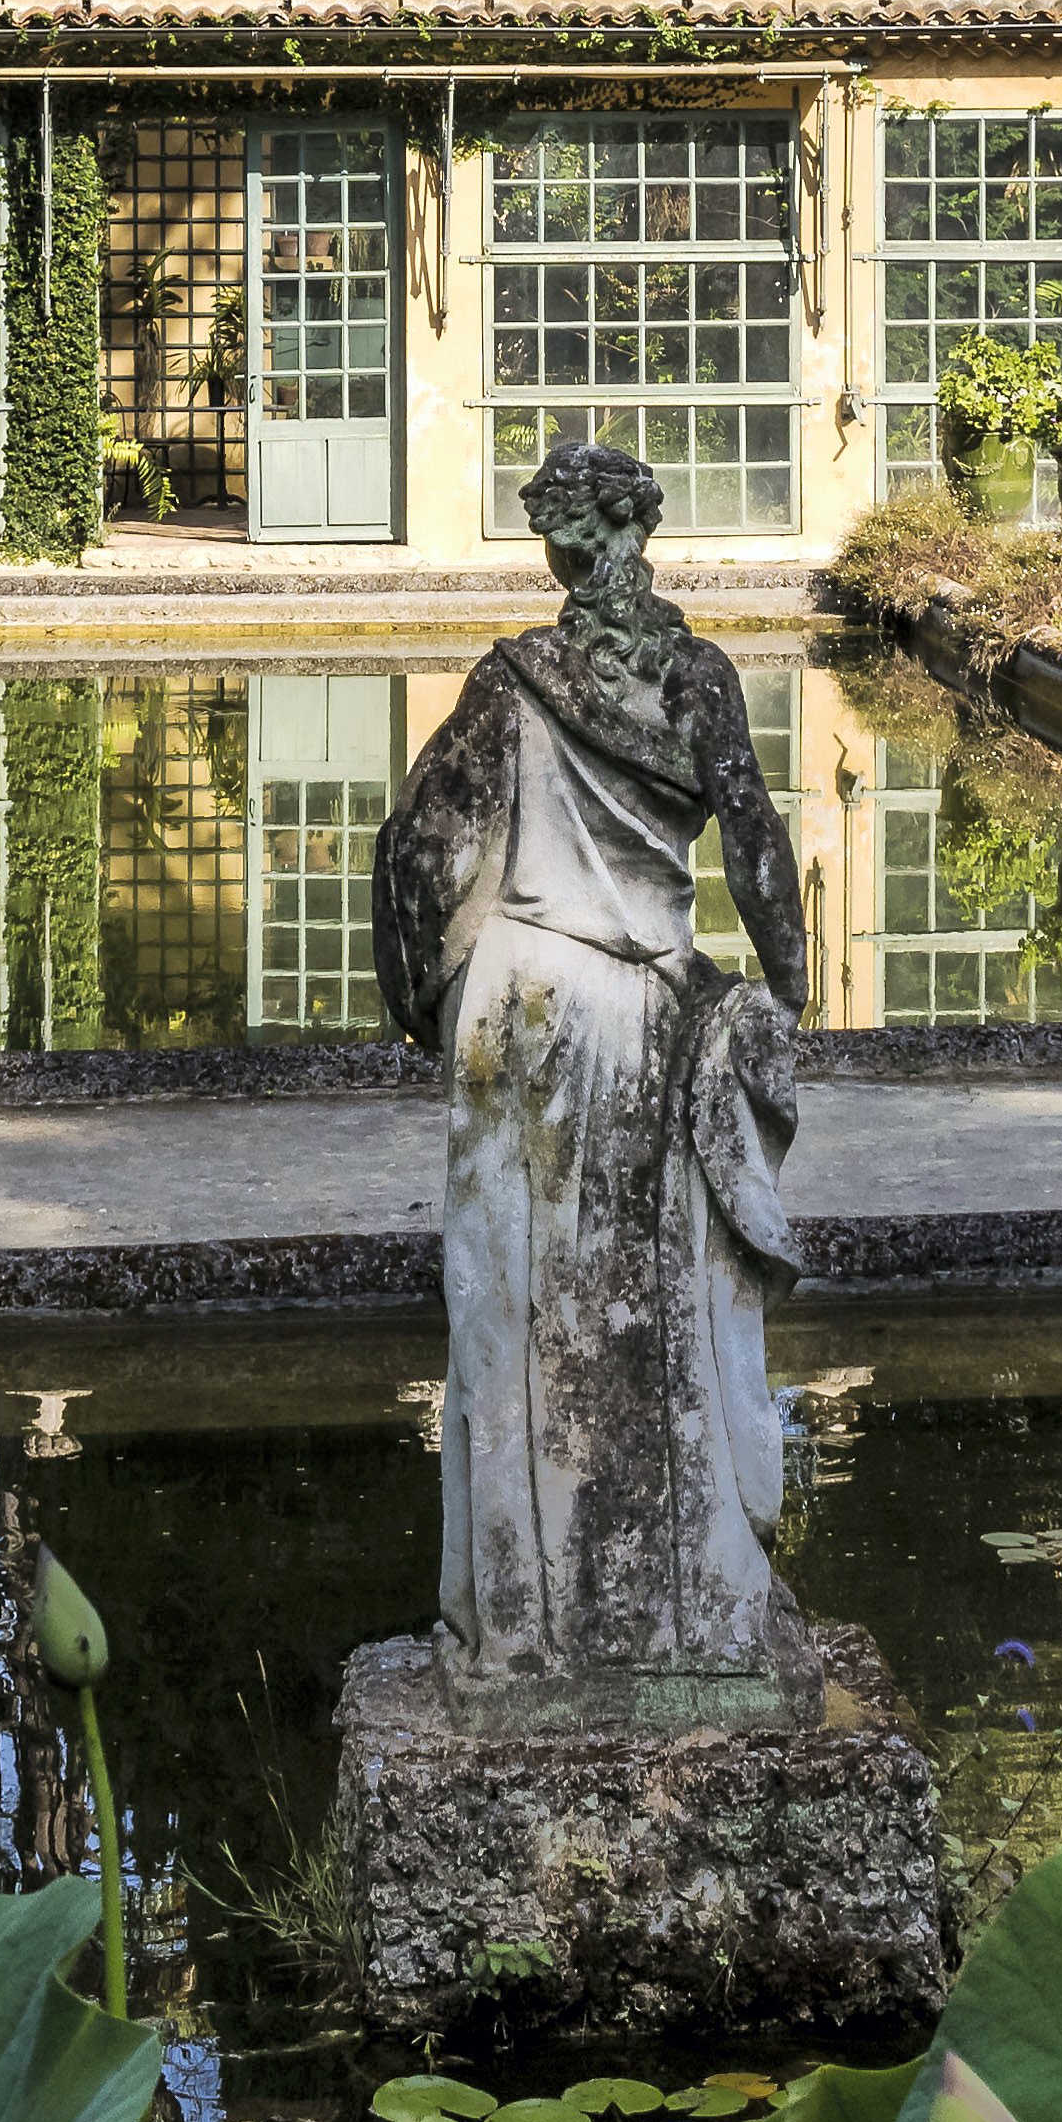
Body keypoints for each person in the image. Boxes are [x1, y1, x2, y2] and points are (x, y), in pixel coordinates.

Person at [373, 431, 812, 1675]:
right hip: (646, 1011)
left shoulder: (513, 681)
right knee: (650, 1308)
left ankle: (527, 1621)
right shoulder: (701, 676)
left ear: (565, 545)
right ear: (640, 533)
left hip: (524, 1011)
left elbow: (423, 854)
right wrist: (790, 993)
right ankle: (673, 1612)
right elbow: (758, 844)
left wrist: (423, 995)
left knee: (517, 1311)